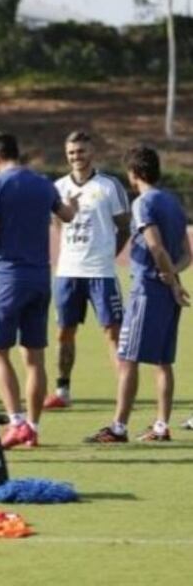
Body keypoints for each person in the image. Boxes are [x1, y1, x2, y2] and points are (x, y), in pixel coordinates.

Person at [0, 132, 78, 449]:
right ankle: (33, 427)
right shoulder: (42, 183)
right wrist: (72, 205)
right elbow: (67, 216)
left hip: (7, 277)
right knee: (34, 356)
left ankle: (17, 422)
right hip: (40, 277)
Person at [85, 146, 190, 444]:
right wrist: (173, 277)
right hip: (167, 290)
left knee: (127, 357)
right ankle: (161, 426)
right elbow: (187, 254)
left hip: (147, 289)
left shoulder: (143, 203)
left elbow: (155, 247)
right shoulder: (173, 202)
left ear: (133, 173)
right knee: (163, 361)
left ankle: (118, 427)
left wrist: (168, 279)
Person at [46, 131, 130, 409]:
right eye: (71, 152)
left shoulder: (109, 186)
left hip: (101, 273)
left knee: (113, 332)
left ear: (92, 152)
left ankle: (124, 389)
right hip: (68, 272)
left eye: (81, 151)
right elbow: (57, 223)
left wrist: (108, 254)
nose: (76, 157)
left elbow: (124, 227)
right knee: (64, 332)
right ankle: (62, 390)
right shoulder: (58, 187)